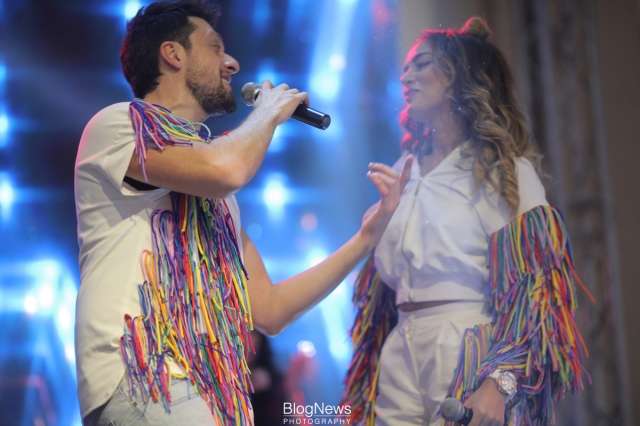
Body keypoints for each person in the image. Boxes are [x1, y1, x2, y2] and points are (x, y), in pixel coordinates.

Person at [73, 1, 413, 425]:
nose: (232, 63)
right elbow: (226, 169)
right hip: (144, 377)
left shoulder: (216, 197)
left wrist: (366, 238)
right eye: (215, 48)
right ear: (173, 54)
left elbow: (270, 310)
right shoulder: (119, 126)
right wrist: (267, 113)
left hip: (205, 393)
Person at [342, 17, 593, 426]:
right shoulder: (402, 170)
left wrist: (499, 383)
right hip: (400, 346)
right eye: (405, 67)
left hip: (466, 342)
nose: (407, 75)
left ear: (459, 76)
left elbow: (538, 295)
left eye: (422, 64)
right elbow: (379, 288)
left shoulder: (503, 172)